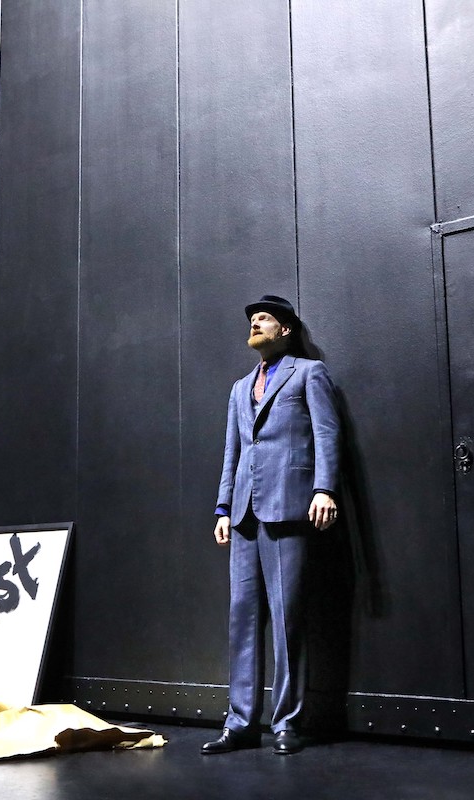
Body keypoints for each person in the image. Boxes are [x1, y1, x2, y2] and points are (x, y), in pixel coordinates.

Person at [202, 294, 341, 756]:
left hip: (288, 506)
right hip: (244, 513)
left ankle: (287, 723)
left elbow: (327, 433)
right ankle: (240, 723)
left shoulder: (309, 373)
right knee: (242, 620)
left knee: (287, 619)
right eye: (252, 319)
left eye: (264, 318)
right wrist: (223, 507)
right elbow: (233, 450)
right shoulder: (240, 387)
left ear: (285, 329)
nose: (255, 323)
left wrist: (324, 488)